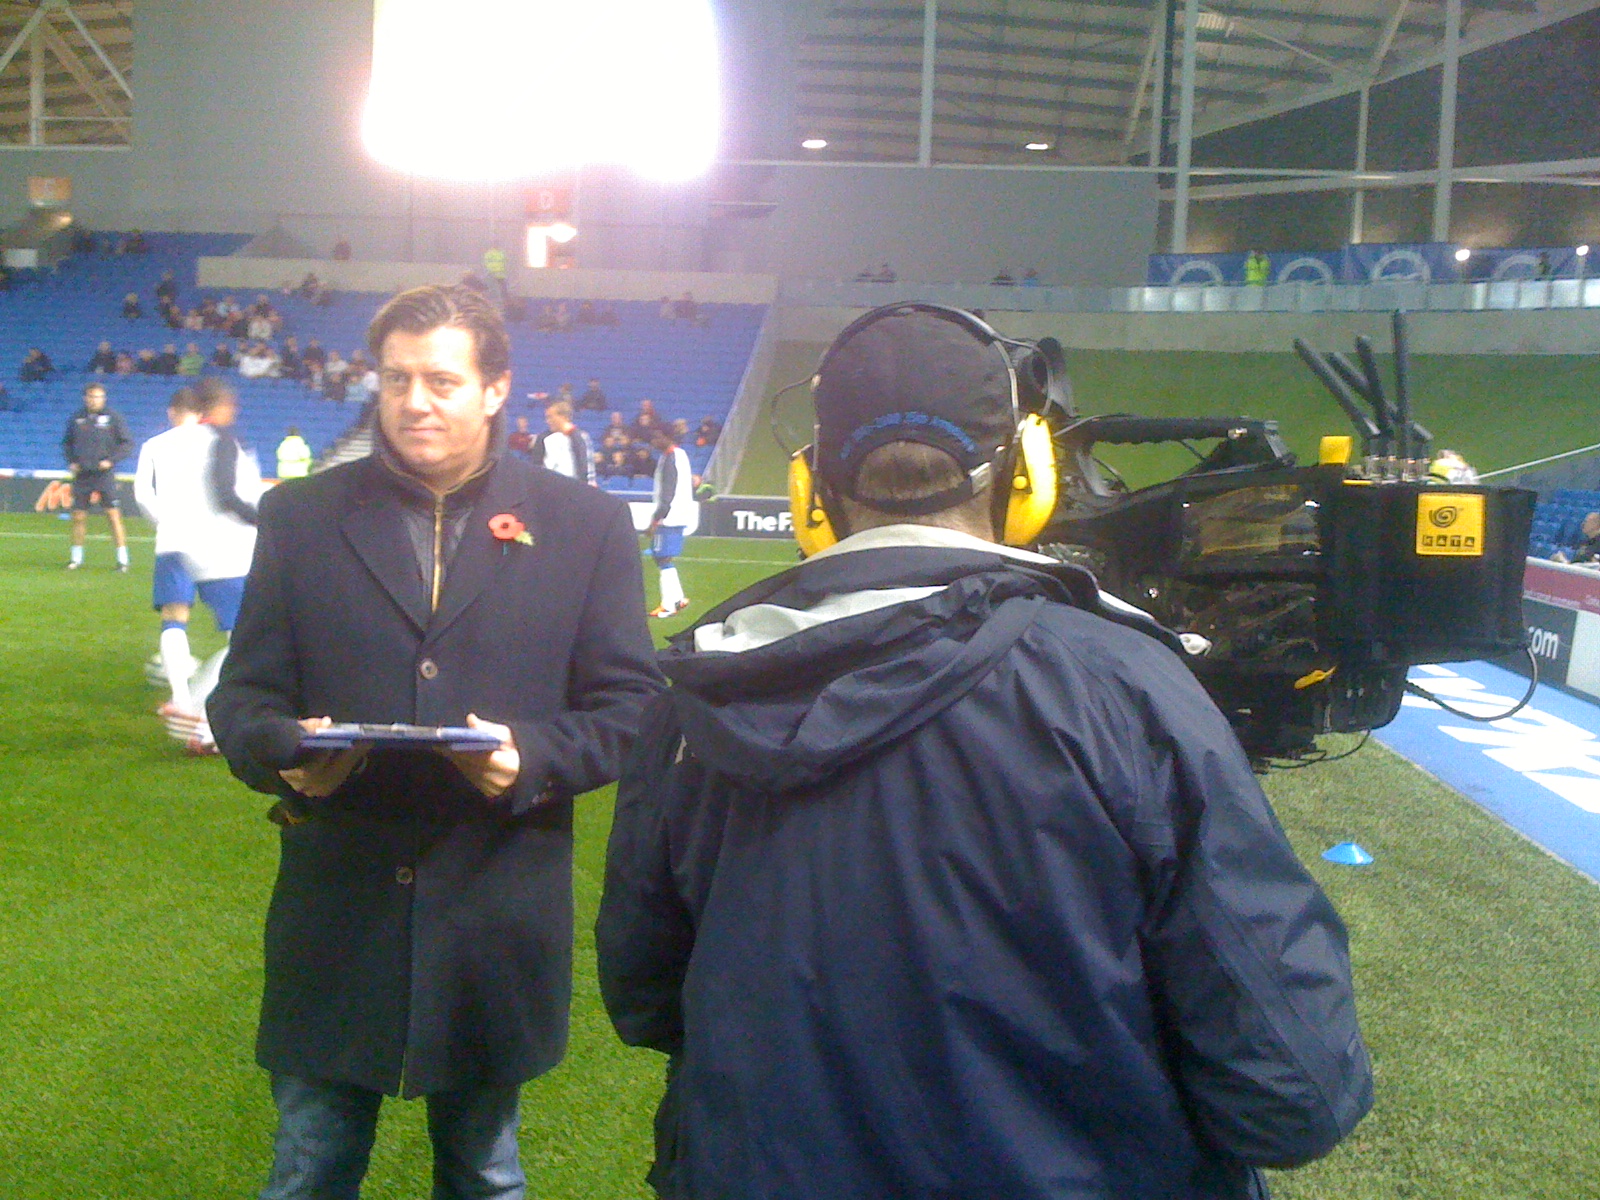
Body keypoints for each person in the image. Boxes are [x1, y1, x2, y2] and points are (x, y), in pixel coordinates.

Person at [596, 304, 1373, 1200]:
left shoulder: (695, 698)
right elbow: (1291, 1094)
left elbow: (647, 996)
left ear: (811, 487)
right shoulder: (1130, 687)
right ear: (1027, 472)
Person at [207, 284, 663, 1200]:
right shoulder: (301, 514)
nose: (416, 400)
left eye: (443, 380)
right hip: (340, 904)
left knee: (484, 1174)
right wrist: (286, 748)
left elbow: (632, 707)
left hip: (496, 904)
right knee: (309, 1168)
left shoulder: (585, 523)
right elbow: (243, 695)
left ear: (496, 390)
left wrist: (530, 756)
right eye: (397, 378)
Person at [133, 380, 263, 752]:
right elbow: (231, 495)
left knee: (176, 619)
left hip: (175, 544)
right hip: (223, 551)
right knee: (248, 639)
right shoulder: (221, 441)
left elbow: (145, 496)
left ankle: (185, 702)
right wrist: (264, 518)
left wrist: (168, 525)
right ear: (217, 406)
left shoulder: (160, 444)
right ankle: (198, 717)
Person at [61, 382, 133, 572]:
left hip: (104, 475)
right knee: (78, 517)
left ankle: (122, 559)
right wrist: (71, 461)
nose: (94, 400)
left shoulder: (113, 418)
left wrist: (111, 461)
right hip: (83, 474)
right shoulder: (77, 418)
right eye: (91, 397)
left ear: (104, 398)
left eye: (98, 397)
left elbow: (127, 444)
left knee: (113, 515)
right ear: (85, 398)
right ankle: (76, 559)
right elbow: (67, 443)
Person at [644, 426, 693, 618]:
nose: (654, 441)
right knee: (664, 557)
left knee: (661, 556)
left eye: (657, 436)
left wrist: (656, 519)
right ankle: (679, 598)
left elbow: (668, 491)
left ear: (667, 437)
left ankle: (668, 606)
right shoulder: (678, 455)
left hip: (670, 516)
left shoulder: (671, 458)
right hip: (677, 514)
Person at [533, 400, 594, 485]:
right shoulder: (543, 438)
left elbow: (586, 469)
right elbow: (537, 466)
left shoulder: (581, 438)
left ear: (563, 417)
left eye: (550, 417)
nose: (547, 421)